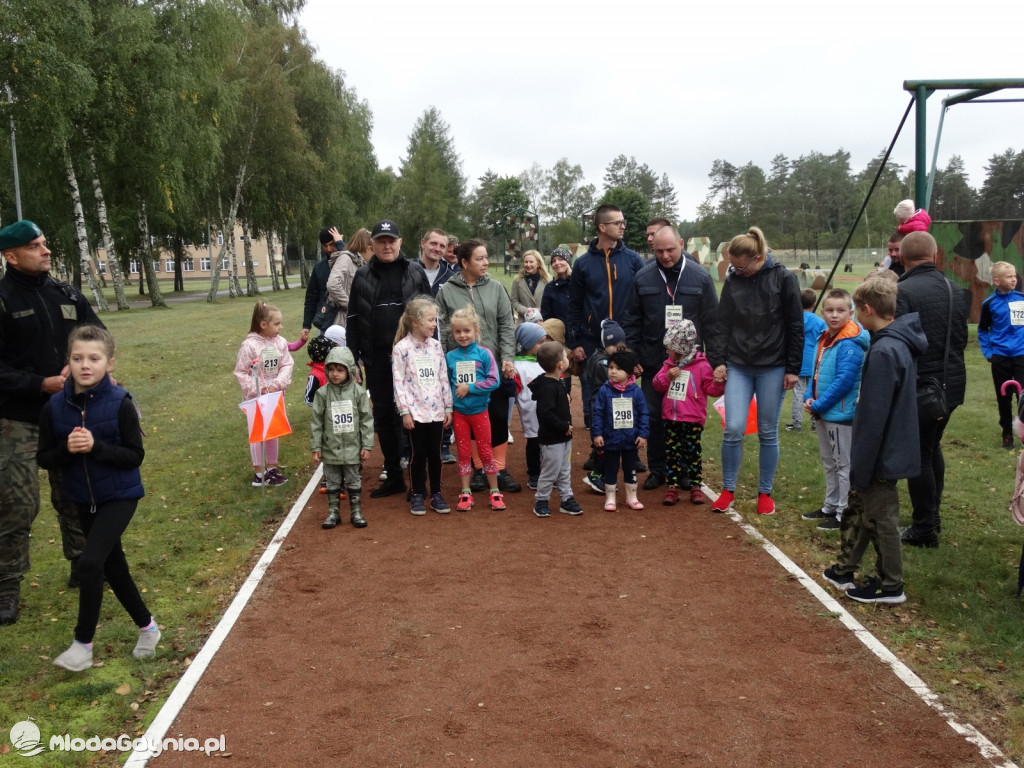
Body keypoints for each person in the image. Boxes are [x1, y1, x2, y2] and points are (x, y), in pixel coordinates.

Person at [37, 325, 159, 671]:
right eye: (77, 358)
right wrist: (67, 449)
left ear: (110, 363)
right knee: (113, 565)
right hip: (82, 499)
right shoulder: (54, 408)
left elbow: (134, 455)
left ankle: (82, 645)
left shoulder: (120, 402)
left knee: (90, 562)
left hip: (119, 494)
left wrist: (97, 447)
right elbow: (44, 457)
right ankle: (148, 628)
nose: (85, 365)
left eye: (94, 358)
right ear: (68, 362)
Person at [0, 220, 95, 624]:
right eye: (35, 246)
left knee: (74, 491)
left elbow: (97, 336)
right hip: (17, 419)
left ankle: (82, 565)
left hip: (67, 415)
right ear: (11, 255)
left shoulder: (65, 293)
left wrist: (92, 365)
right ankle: (7, 587)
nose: (46, 251)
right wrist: (41, 384)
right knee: (17, 504)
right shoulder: (2, 299)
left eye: (45, 243)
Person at [821, 278, 926, 605]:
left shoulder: (884, 350)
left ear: (866, 310)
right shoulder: (893, 342)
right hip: (886, 447)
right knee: (864, 508)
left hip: (884, 451)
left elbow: (874, 414)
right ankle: (846, 567)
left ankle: (891, 584)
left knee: (881, 518)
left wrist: (863, 461)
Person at [708, 226, 803, 516]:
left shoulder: (784, 278)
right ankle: (728, 490)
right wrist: (718, 361)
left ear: (758, 257)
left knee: (767, 431)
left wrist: (793, 368)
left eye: (740, 265)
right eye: (732, 265)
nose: (735, 270)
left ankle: (765, 493)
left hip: (773, 366)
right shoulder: (735, 280)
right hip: (737, 364)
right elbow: (722, 323)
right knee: (733, 428)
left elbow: (795, 326)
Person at [623, 225, 718, 490]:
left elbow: (712, 321)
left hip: (690, 365)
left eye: (671, 250)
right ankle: (659, 469)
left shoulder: (700, 277)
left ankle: (685, 471)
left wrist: (715, 360)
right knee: (654, 417)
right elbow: (631, 320)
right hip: (654, 362)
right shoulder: (643, 278)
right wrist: (632, 357)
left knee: (684, 420)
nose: (665, 256)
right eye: (659, 250)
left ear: (682, 243)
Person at [346, 220, 431, 498]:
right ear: (372, 244)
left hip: (413, 358)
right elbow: (354, 320)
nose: (386, 246)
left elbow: (431, 316)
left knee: (413, 415)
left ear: (400, 242)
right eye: (381, 241)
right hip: (378, 358)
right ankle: (394, 474)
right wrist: (353, 359)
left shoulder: (415, 272)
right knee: (384, 415)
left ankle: (418, 478)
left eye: (391, 240)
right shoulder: (362, 276)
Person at [895, 231, 968, 548]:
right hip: (951, 382)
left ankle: (924, 528)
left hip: (922, 384)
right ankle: (932, 516)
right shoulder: (954, 289)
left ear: (901, 258)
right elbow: (962, 338)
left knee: (920, 454)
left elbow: (899, 345)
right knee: (932, 446)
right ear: (936, 255)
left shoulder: (902, 291)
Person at [436, 240, 521, 493]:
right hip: (460, 368)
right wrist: (442, 366)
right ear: (464, 263)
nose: (486, 263)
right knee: (471, 418)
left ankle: (500, 468)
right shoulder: (446, 291)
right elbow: (440, 331)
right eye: (480, 259)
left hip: (492, 366)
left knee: (495, 417)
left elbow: (507, 325)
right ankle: (479, 469)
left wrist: (507, 357)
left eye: (486, 258)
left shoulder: (496, 288)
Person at [567, 204, 645, 429]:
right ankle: (599, 450)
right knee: (597, 397)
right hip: (593, 342)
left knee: (627, 395)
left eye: (623, 222)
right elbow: (574, 305)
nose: (623, 226)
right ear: (602, 226)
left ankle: (630, 449)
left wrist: (636, 346)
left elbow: (642, 305)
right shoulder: (582, 264)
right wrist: (575, 342)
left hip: (626, 341)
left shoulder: (633, 260)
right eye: (617, 223)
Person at [800, 289, 870, 531]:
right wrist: (809, 396)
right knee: (829, 461)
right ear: (822, 312)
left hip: (839, 415)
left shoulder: (849, 344)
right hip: (822, 412)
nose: (834, 315)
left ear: (851, 313)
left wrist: (818, 404)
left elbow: (844, 381)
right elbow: (815, 373)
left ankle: (843, 513)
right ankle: (830, 505)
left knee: (843, 464)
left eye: (840, 310)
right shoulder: (824, 338)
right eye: (829, 310)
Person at [652, 320, 724, 506]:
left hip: (692, 419)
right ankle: (673, 487)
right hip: (671, 418)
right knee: (672, 454)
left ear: (680, 348)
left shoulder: (702, 365)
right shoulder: (668, 365)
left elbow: (710, 389)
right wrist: (667, 377)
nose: (667, 351)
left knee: (693, 454)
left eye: (670, 348)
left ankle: (695, 487)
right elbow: (656, 384)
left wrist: (718, 383)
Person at [392, 297, 453, 515]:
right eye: (431, 320)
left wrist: (448, 407)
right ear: (416, 322)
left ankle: (436, 493)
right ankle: (417, 493)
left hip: (436, 411)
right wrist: (405, 411)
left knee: (435, 454)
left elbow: (443, 377)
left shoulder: (436, 347)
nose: (434, 324)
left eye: (435, 320)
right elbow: (398, 382)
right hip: (415, 413)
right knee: (418, 454)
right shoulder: (401, 349)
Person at [445, 305, 504, 511]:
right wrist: (448, 408)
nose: (462, 335)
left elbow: (494, 381)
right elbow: (446, 384)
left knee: (485, 451)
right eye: (458, 332)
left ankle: (494, 491)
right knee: (463, 452)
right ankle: (465, 492)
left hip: (480, 412)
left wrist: (470, 388)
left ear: (476, 331)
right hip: (460, 413)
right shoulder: (450, 357)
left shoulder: (484, 354)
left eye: (467, 331)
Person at [310, 346, 373, 529]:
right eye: (331, 369)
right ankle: (333, 512)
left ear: (349, 370)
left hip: (353, 446)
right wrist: (316, 447)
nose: (335, 374)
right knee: (332, 480)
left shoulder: (358, 393)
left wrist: (366, 445)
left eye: (340, 370)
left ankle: (356, 511)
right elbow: (316, 422)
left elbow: (366, 420)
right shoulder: (322, 394)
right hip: (331, 448)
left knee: (353, 479)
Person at [234, 301, 294, 487]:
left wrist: (277, 384)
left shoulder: (280, 342)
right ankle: (259, 473)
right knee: (258, 432)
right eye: (277, 324)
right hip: (256, 398)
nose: (280, 327)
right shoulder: (249, 346)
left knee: (273, 430)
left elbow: (287, 364)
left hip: (274, 395)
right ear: (263, 324)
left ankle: (272, 468)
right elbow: (241, 372)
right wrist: (257, 388)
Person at [529, 341, 582, 518]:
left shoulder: (555, 382)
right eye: (565, 357)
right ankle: (541, 501)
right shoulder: (548, 387)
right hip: (553, 439)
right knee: (550, 471)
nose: (567, 359)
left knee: (564, 469)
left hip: (564, 438)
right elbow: (545, 413)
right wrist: (564, 426)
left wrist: (563, 397)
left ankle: (566, 499)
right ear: (560, 364)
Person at [592, 348, 649, 512]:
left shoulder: (636, 392)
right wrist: (597, 434)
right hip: (611, 438)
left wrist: (643, 435)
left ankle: (632, 497)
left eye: (618, 369)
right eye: (611, 368)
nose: (613, 372)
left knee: (630, 468)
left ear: (629, 371)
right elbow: (598, 413)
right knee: (611, 468)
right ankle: (610, 498)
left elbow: (644, 413)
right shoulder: (604, 390)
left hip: (630, 440)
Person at [978, 261, 1024, 450]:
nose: (1014, 279)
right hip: (1000, 357)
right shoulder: (989, 304)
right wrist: (989, 353)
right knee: (1003, 397)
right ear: (997, 281)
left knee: (1022, 397)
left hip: (1021, 355)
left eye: (1015, 275)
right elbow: (982, 330)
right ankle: (1006, 434)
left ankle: (1023, 432)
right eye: (1009, 276)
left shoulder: (1022, 298)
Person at [582, 319, 629, 494]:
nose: (617, 349)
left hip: (607, 409)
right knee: (604, 445)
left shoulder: (606, 360)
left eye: (620, 345)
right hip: (600, 410)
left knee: (605, 444)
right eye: (613, 345)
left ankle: (599, 470)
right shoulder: (602, 363)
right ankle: (598, 475)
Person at [786, 289, 828, 431]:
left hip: (797, 361)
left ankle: (796, 424)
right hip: (814, 362)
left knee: (798, 394)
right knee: (815, 393)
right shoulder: (820, 322)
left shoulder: (794, 320)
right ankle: (815, 423)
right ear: (814, 304)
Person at [513, 322, 549, 489]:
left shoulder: (546, 361)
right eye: (539, 342)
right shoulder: (518, 366)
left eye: (544, 341)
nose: (543, 345)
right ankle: (534, 474)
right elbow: (515, 391)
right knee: (534, 442)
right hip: (530, 411)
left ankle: (550, 472)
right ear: (527, 344)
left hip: (549, 410)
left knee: (550, 442)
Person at [325, 228, 372, 328]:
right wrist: (351, 305)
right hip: (341, 320)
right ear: (368, 248)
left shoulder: (360, 263)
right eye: (373, 252)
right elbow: (332, 284)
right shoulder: (346, 259)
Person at [303, 225, 345, 337]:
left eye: (332, 244)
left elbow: (352, 259)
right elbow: (312, 297)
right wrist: (306, 325)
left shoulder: (349, 261)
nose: (329, 249)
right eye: (325, 246)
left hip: (347, 319)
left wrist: (341, 245)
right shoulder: (319, 267)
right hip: (326, 321)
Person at [414, 228, 456, 297]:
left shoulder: (450, 277)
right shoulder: (407, 270)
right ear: (423, 243)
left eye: (442, 246)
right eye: (433, 244)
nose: (437, 249)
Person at [510, 250, 549, 323]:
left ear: (538, 263)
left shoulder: (547, 280)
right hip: (524, 323)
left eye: (531, 262)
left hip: (543, 323)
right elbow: (514, 301)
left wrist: (540, 310)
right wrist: (527, 311)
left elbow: (551, 302)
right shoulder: (517, 280)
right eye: (526, 262)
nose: (528, 264)